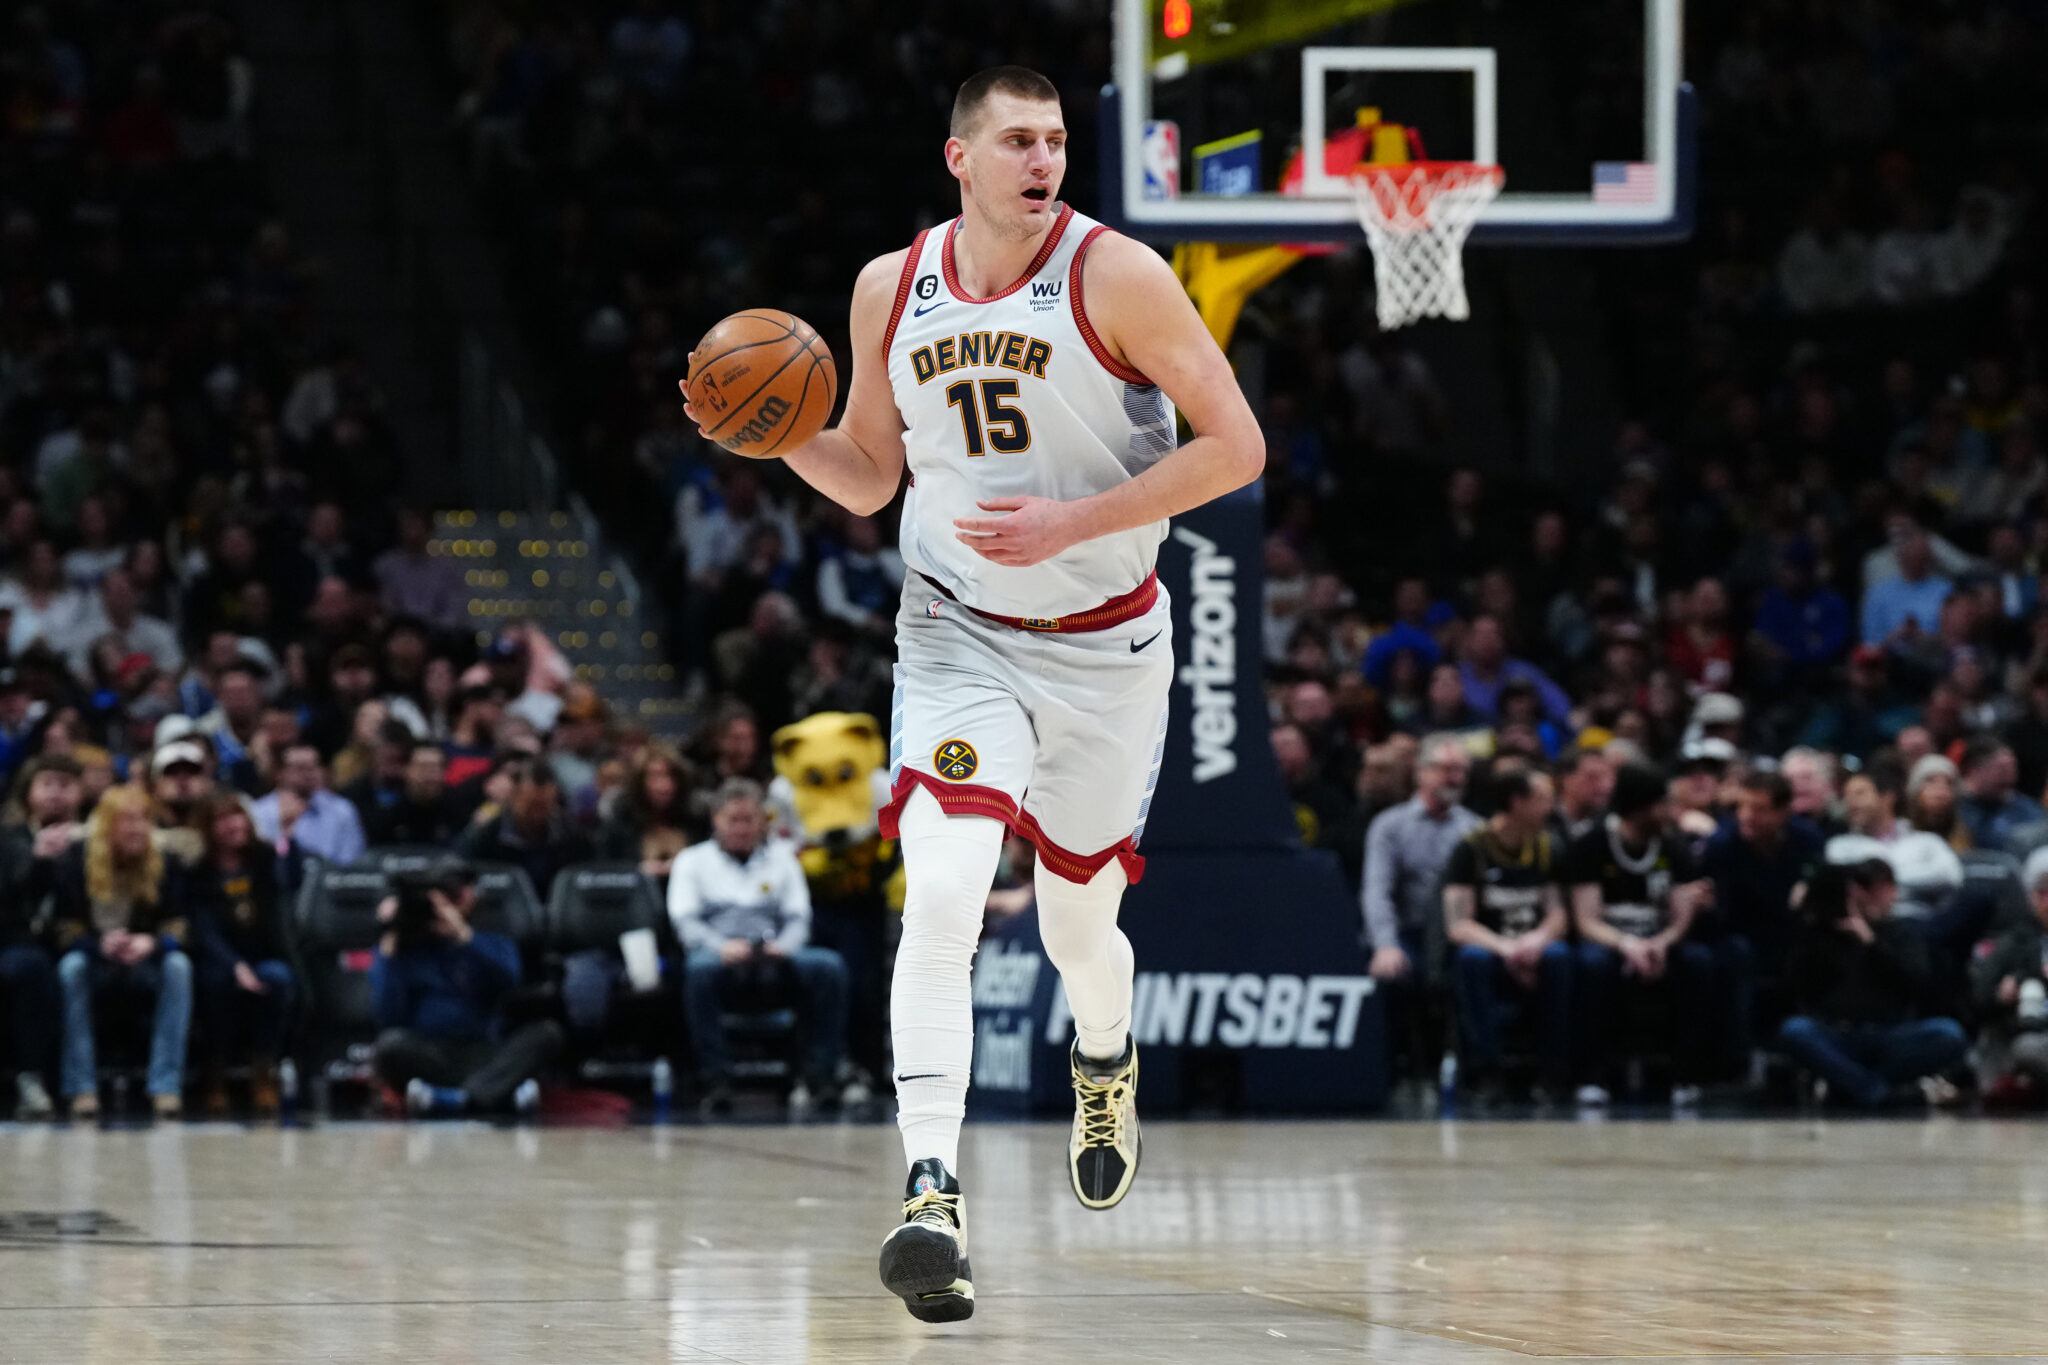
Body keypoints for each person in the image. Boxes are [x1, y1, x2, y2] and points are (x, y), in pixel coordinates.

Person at [682, 67, 1262, 1320]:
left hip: (1105, 644)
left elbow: (1237, 447)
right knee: (941, 892)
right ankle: (930, 1192)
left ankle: (1102, 1059)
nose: (1042, 159)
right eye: (1016, 141)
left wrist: (1072, 523)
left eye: (1053, 141)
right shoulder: (889, 287)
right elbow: (866, 478)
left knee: (1075, 929)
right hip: (957, 634)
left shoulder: (1117, 275)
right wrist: (768, 431)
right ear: (960, 158)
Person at [669, 778, 849, 1115]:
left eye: (749, 819)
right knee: (698, 970)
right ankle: (715, 1081)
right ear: (716, 820)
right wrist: (722, 946)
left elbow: (798, 918)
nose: (741, 828)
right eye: (733, 819)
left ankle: (821, 1076)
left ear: (762, 821)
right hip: (720, 955)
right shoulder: (692, 861)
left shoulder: (783, 859)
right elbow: (686, 922)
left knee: (828, 967)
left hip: (774, 955)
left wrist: (784, 946)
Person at [1567, 764, 1716, 1108]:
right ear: (1639, 808)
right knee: (1592, 966)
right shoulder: (1591, 845)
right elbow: (1586, 921)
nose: (1670, 812)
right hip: (1610, 941)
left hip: (1659, 939)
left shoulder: (1673, 846)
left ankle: (1686, 1074)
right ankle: (1593, 1075)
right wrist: (1628, 945)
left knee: (1698, 962)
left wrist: (1662, 942)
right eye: (1662, 804)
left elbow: (1681, 916)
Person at [370, 857, 564, 1116]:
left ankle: (457, 1098)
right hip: (430, 1051)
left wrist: (463, 936)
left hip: (486, 1049)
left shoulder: (490, 934)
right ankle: (491, 1094)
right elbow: (387, 1015)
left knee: (547, 1034)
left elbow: (508, 980)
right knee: (389, 1045)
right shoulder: (405, 948)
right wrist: (390, 945)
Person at [49, 784, 193, 1119]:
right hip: (94, 958)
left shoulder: (166, 861)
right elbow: (60, 929)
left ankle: (165, 1086)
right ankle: (81, 1087)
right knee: (70, 968)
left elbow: (183, 926)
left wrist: (153, 942)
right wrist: (98, 944)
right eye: (127, 820)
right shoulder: (74, 861)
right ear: (106, 824)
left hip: (145, 960)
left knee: (178, 966)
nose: (137, 828)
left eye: (143, 819)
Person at [1776, 859, 1968, 1108]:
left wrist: (1871, 943)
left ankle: (1851, 1087)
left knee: (1948, 1033)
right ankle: (1878, 1093)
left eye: (1882, 889)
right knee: (1795, 1031)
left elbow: (1915, 983)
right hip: (1839, 1034)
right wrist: (1805, 921)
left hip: (1891, 1034)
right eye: (1865, 891)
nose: (1874, 898)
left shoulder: (1903, 932)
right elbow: (1797, 985)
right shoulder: (1823, 934)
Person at [1442, 767, 1573, 1104]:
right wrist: (1507, 948)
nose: (1551, 807)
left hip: (1534, 947)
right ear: (1517, 802)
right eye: (1543, 799)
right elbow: (1458, 925)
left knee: (1559, 956)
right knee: (1472, 959)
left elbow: (1558, 914)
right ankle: (1487, 1071)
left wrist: (1536, 941)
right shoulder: (1471, 849)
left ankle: (1554, 1073)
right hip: (1492, 947)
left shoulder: (1547, 847)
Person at [1359, 734, 1479, 1088]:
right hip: (1407, 932)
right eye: (1446, 769)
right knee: (1391, 973)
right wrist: (1385, 944)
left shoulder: (1474, 829)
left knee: (1473, 967)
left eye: (1461, 770)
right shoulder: (1390, 826)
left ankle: (1474, 1074)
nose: (1454, 778)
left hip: (1455, 935)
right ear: (1421, 772)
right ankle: (1389, 1075)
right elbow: (1376, 891)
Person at [190, 792, 299, 1116]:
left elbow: (291, 887)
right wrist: (235, 966)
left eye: (237, 816)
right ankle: (215, 1073)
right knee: (216, 983)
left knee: (278, 978)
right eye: (222, 819)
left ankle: (264, 1069)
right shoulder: (199, 871)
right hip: (219, 958)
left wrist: (288, 837)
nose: (233, 825)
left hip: (261, 954)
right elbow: (203, 930)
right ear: (209, 828)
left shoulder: (265, 858)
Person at [0, 754, 84, 1118]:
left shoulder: (93, 838)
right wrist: (39, 861)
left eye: (65, 785)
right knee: (28, 967)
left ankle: (74, 1084)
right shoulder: (9, 839)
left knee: (71, 967)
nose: (56, 793)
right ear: (28, 792)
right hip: (17, 942)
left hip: (79, 942)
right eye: (47, 784)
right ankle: (29, 1078)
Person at [1971, 852, 2048, 1098]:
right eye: (2042, 893)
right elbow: (1980, 998)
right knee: (2026, 1049)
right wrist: (2002, 995)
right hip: (2025, 1033)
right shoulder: (2013, 941)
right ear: (2031, 897)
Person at [253, 743, 366, 868]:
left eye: (313, 767)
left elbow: (352, 859)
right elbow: (265, 862)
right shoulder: (260, 812)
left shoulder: (341, 809)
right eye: (300, 768)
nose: (308, 774)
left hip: (334, 877)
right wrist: (285, 832)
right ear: (280, 773)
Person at [597, 742, 695, 877]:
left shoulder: (695, 820)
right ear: (639, 781)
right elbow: (605, 870)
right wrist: (637, 871)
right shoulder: (621, 822)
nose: (664, 785)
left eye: (670, 776)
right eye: (655, 776)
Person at [364, 740, 465, 848]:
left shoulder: (459, 812)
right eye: (424, 767)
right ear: (406, 769)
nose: (432, 776)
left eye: (438, 767)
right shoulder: (389, 816)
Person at [1956, 736, 2046, 854]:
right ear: (1974, 770)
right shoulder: (1954, 806)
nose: (2009, 776)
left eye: (2013, 767)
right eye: (2001, 768)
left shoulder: (2025, 808)